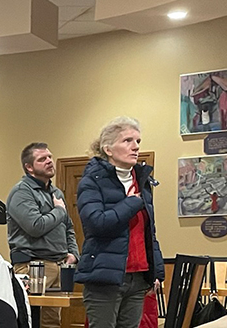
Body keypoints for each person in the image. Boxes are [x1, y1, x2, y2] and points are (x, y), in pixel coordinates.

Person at [75, 117, 164, 328]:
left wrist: (156, 271)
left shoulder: (141, 182)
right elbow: (97, 223)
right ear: (108, 149)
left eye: (138, 141)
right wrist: (132, 203)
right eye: (127, 141)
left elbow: (148, 232)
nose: (135, 147)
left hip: (139, 276)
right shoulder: (91, 182)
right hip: (106, 277)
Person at [6, 143, 78, 328]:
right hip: (32, 266)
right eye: (42, 159)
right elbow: (35, 226)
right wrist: (59, 211)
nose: (49, 161)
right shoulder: (21, 192)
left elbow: (68, 227)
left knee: (52, 322)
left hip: (59, 265)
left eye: (50, 157)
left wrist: (73, 253)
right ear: (29, 167)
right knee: (30, 319)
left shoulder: (56, 193)